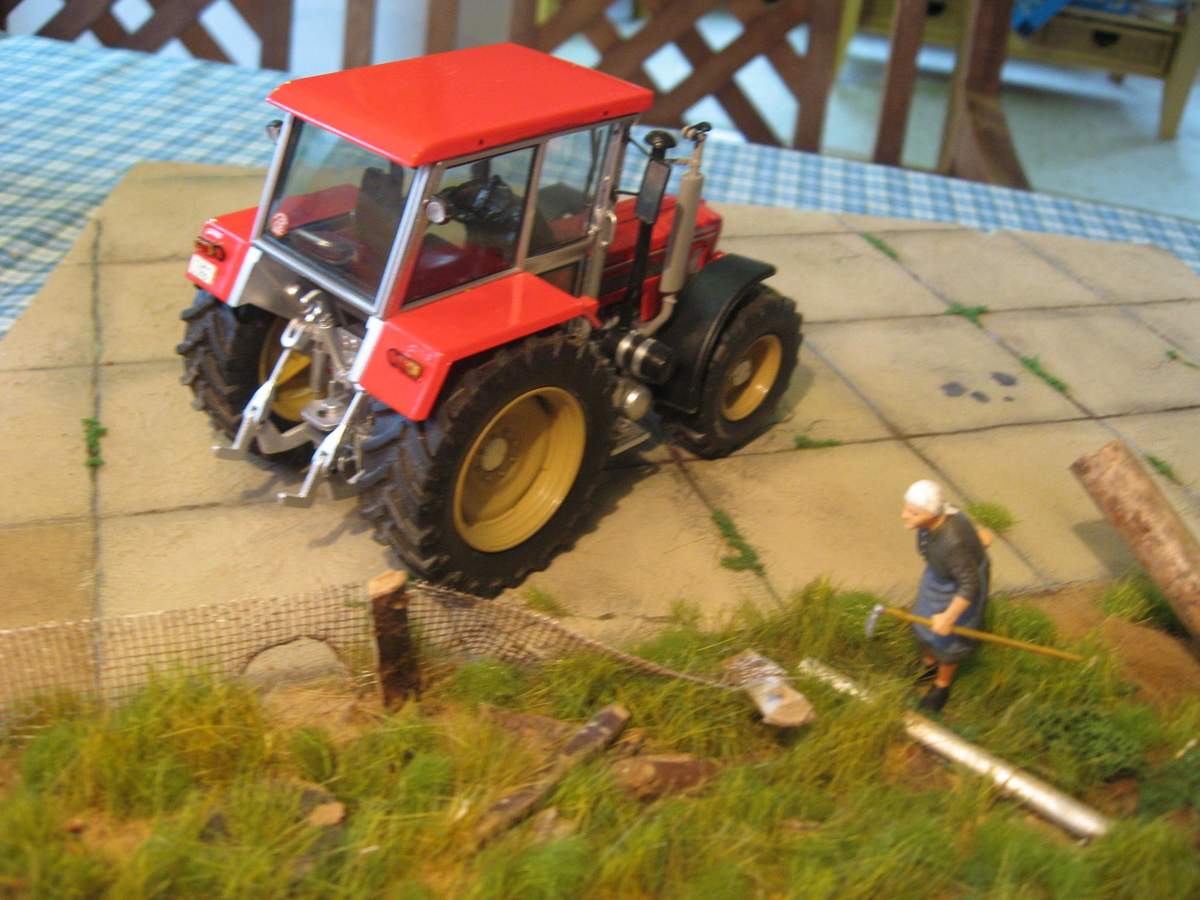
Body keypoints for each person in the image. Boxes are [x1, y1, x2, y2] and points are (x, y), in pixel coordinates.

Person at [900, 480, 992, 712]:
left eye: (913, 513)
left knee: (949, 642)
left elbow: (969, 584)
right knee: (922, 622)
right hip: (940, 574)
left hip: (961, 588)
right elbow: (966, 526)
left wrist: (949, 617)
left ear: (932, 514)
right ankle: (929, 665)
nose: (904, 516)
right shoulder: (938, 520)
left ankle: (941, 686)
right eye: (906, 509)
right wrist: (977, 540)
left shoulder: (952, 543)